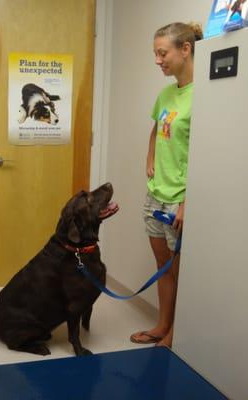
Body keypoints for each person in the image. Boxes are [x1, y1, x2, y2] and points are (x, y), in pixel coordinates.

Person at [130, 22, 203, 348]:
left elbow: (204, 151)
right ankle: (162, 325)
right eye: (155, 54)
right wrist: (150, 158)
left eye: (163, 53)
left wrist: (189, 201)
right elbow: (156, 130)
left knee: (183, 273)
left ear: (185, 49)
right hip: (156, 194)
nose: (158, 60)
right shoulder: (166, 93)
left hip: (179, 199)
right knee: (163, 268)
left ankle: (176, 333)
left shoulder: (204, 94)